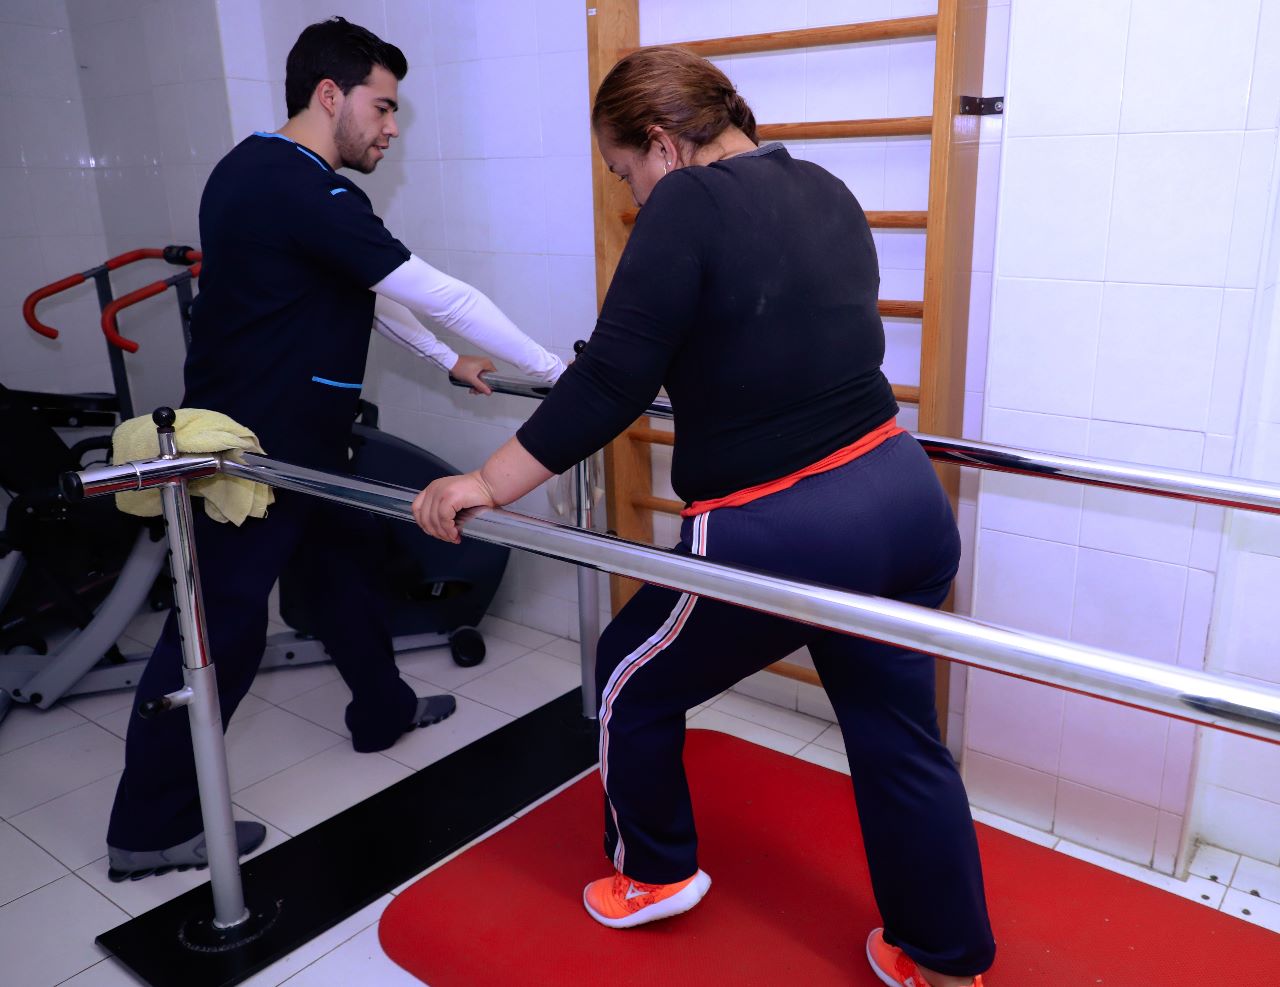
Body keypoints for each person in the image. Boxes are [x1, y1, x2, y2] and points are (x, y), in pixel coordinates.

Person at [412, 46, 994, 987]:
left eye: (625, 174)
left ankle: (653, 872)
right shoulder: (825, 186)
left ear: (661, 144)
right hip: (902, 499)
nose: (633, 195)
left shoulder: (686, 202)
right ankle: (942, 956)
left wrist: (487, 478)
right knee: (897, 733)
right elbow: (785, 338)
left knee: (626, 675)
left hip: (785, 531)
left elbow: (610, 380)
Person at [105, 17, 564, 881]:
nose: (391, 128)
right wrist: (555, 372)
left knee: (343, 571)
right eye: (383, 108)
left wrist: (446, 360)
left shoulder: (257, 170)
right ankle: (148, 827)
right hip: (253, 455)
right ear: (330, 95)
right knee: (219, 629)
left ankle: (382, 709)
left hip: (304, 440)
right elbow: (439, 292)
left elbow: (367, 292)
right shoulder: (299, 187)